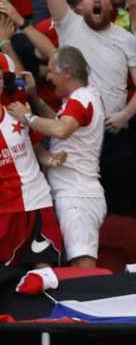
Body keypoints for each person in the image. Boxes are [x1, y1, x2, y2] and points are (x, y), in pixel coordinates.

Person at [45, 0, 136, 217]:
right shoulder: (68, 24)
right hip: (76, 136)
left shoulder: (126, 38)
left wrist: (125, 115)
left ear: (112, 4)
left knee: (123, 209)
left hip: (115, 134)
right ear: (79, 5)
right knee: (77, 209)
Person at [9, 47, 105, 269]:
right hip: (75, 194)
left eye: (52, 71)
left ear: (68, 72)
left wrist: (27, 117)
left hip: (78, 197)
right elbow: (58, 120)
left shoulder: (81, 98)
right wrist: (34, 98)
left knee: (83, 267)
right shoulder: (83, 98)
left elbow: (61, 129)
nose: (48, 77)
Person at [0, 77, 63, 269]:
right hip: (5, 209)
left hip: (37, 200)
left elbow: (36, 148)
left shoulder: (18, 111)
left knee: (44, 272)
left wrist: (52, 159)